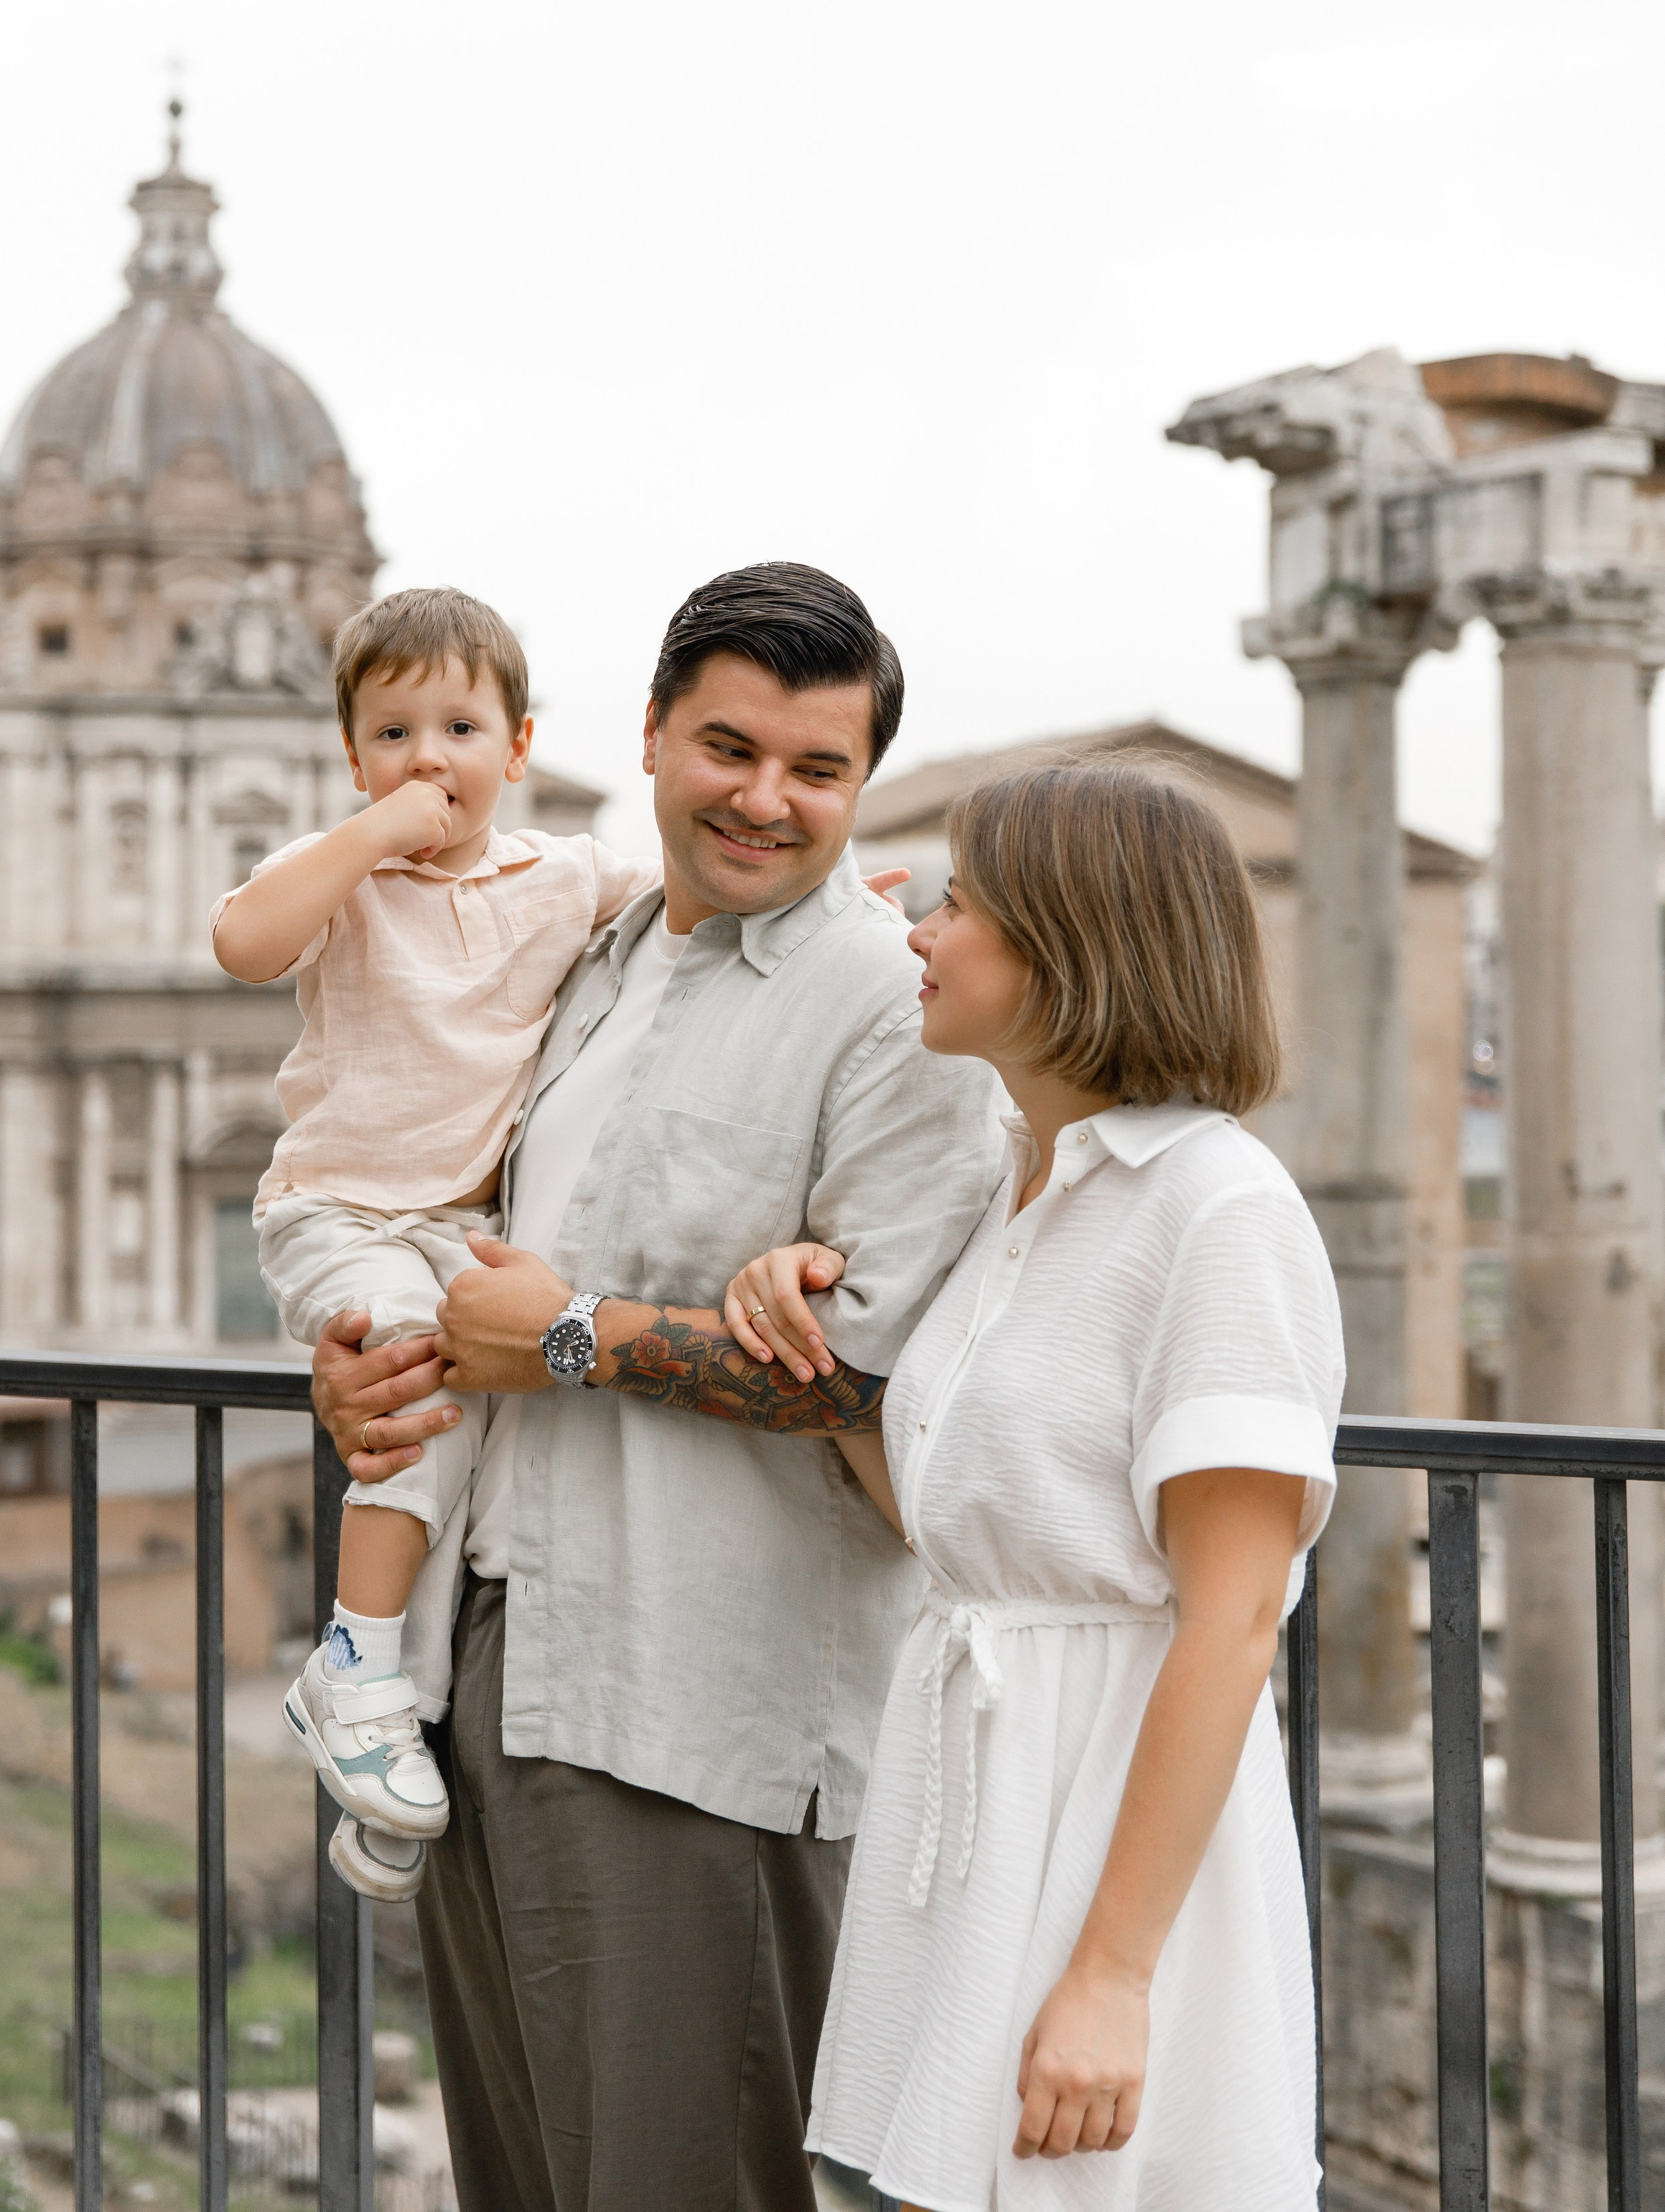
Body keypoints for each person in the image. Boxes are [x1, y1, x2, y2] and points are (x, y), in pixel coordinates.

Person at [309, 560, 1006, 2212]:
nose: (765, 800)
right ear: (645, 739)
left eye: (815, 769)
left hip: (705, 1721)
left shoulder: (893, 1012)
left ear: (861, 785)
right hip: (501, 1672)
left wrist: (570, 1339)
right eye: (727, 749)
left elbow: (873, 1381)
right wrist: (380, 1372)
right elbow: (467, 1240)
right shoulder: (595, 953)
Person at [724, 762, 1344, 2209]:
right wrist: (799, 1340)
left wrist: (1113, 1978)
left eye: (957, 906)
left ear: (1075, 950)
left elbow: (1233, 1620)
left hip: (1108, 1829)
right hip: (969, 1809)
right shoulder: (1017, 1188)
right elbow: (966, 1526)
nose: (918, 936)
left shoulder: (1220, 1210)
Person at [210, 584, 658, 1900]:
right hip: (339, 1208)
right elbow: (243, 942)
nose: (427, 759)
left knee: (467, 1440)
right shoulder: (343, 885)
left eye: (460, 727)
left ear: (519, 750)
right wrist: (366, 839)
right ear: (353, 758)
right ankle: (352, 1657)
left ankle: (388, 1730)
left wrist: (840, 901)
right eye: (393, 733)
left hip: (461, 1224)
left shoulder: (564, 874)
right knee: (408, 1377)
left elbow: (692, 910)